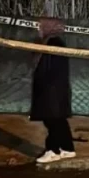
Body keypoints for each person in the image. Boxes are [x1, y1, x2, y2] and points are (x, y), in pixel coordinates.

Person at [31, 19, 75, 164]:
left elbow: (50, 69)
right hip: (53, 88)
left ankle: (53, 150)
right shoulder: (49, 42)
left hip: (51, 89)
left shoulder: (54, 43)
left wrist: (47, 87)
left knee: (52, 119)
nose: (38, 29)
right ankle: (67, 148)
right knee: (58, 119)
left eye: (41, 27)